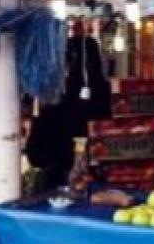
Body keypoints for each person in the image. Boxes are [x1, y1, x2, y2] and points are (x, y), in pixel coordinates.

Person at [26, 35, 111, 190]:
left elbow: (36, 155)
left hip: (62, 184)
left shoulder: (56, 107)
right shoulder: (113, 100)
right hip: (108, 183)